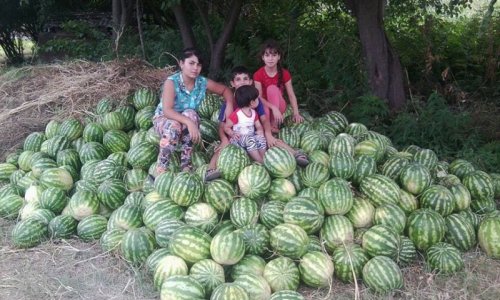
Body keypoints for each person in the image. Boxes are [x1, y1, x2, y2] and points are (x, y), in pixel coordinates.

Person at [204, 66, 308, 181]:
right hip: (236, 138)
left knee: (273, 141)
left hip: (253, 135)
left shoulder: (254, 101)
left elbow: (263, 120)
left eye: (245, 79)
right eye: (238, 79)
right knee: (221, 149)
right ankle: (210, 170)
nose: (242, 82)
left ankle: (295, 154)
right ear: (232, 83)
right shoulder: (230, 102)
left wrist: (267, 134)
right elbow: (223, 126)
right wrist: (224, 139)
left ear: (250, 82)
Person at [152, 48, 233, 177]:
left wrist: (229, 106)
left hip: (186, 118)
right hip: (165, 119)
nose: (195, 68)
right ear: (181, 63)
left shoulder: (201, 82)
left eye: (199, 64)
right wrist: (189, 123)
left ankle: (186, 165)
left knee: (191, 113)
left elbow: (225, 91)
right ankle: (161, 170)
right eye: (191, 63)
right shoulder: (171, 82)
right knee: (176, 124)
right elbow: (167, 111)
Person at [253, 39, 304, 132]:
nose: (270, 58)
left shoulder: (285, 73)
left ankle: (274, 125)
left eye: (274, 55)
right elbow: (259, 97)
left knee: (272, 89)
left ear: (279, 57)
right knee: (263, 106)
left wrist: (296, 113)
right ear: (262, 57)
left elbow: (291, 95)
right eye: (267, 55)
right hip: (265, 106)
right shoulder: (258, 74)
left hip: (280, 105)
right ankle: (268, 127)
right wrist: (273, 107)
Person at [224, 85, 267, 163]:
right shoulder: (237, 114)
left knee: (261, 138)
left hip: (250, 137)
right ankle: (260, 161)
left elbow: (258, 125)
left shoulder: (254, 113)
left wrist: (260, 130)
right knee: (250, 140)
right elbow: (226, 127)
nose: (258, 100)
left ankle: (263, 157)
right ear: (252, 102)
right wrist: (232, 133)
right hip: (238, 140)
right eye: (257, 98)